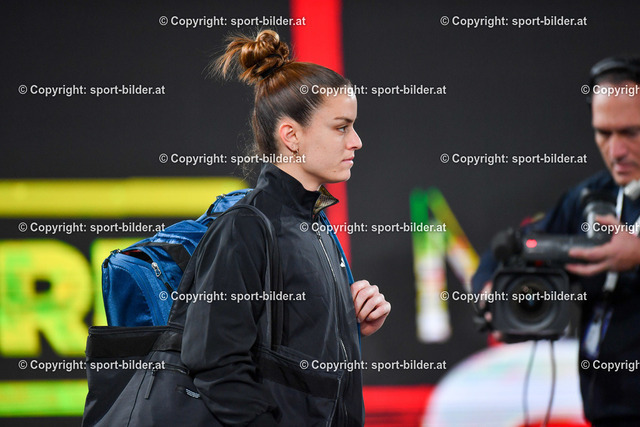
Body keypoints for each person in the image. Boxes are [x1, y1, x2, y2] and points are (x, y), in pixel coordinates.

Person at [180, 29, 391, 426]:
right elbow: (215, 365)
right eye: (341, 127)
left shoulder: (315, 224)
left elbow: (292, 357)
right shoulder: (244, 228)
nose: (357, 141)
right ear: (291, 136)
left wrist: (349, 322)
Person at [472, 56, 640, 427]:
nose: (616, 151)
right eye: (604, 133)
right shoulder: (590, 197)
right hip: (605, 413)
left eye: (631, 132)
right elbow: (510, 249)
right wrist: (488, 291)